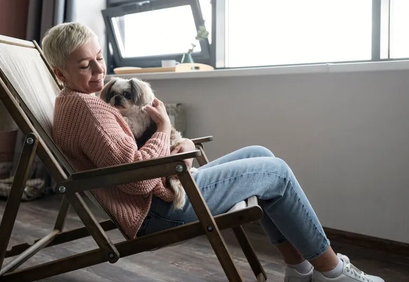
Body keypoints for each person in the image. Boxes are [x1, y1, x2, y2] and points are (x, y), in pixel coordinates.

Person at [42, 22, 384, 282]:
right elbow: (135, 182)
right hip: (159, 209)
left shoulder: (75, 103)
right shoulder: (89, 109)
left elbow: (126, 162)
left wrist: (180, 147)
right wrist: (164, 129)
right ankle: (334, 272)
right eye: (85, 65)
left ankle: (299, 268)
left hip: (165, 191)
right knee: (275, 171)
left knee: (258, 152)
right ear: (60, 72)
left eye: (99, 59)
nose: (99, 71)